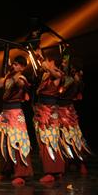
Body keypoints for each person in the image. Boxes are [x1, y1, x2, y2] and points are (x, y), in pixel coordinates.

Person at [0, 55, 33, 186]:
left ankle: (21, 173)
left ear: (22, 67)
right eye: (13, 64)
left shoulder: (21, 78)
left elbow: (20, 84)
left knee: (17, 143)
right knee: (5, 143)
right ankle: (6, 172)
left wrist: (13, 75)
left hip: (15, 114)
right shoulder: (8, 77)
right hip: (5, 113)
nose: (13, 66)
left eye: (16, 65)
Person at [32, 49, 66, 183]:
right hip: (42, 109)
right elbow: (44, 67)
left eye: (49, 61)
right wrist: (39, 56)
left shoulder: (58, 74)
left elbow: (49, 69)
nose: (46, 64)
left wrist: (41, 58)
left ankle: (52, 172)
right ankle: (56, 170)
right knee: (47, 140)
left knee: (49, 140)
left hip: (49, 112)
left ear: (53, 62)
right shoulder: (47, 74)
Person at [57, 56, 91, 174]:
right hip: (69, 110)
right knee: (73, 137)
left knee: (66, 137)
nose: (63, 64)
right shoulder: (77, 80)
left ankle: (73, 163)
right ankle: (76, 163)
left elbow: (59, 92)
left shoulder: (69, 80)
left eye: (65, 63)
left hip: (64, 111)